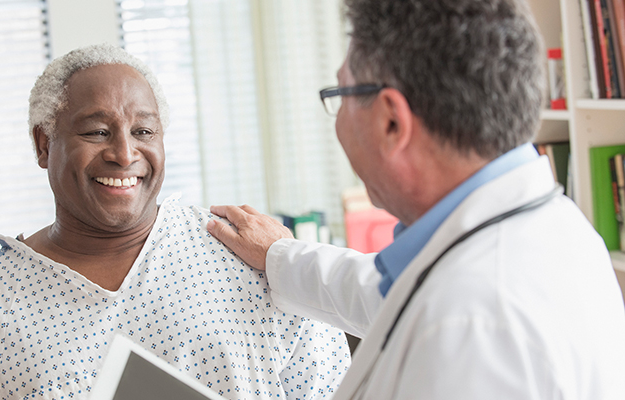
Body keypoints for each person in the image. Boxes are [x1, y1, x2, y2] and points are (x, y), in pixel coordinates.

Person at [206, 0, 625, 398]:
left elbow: (436, 306)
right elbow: (387, 292)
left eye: (340, 95)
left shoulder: (473, 323)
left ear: (391, 121)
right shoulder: (551, 231)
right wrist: (280, 255)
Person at [0, 44, 350, 399]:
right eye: (96, 132)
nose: (124, 154)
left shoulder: (249, 259)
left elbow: (333, 388)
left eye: (144, 132)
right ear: (43, 144)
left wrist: (286, 261)